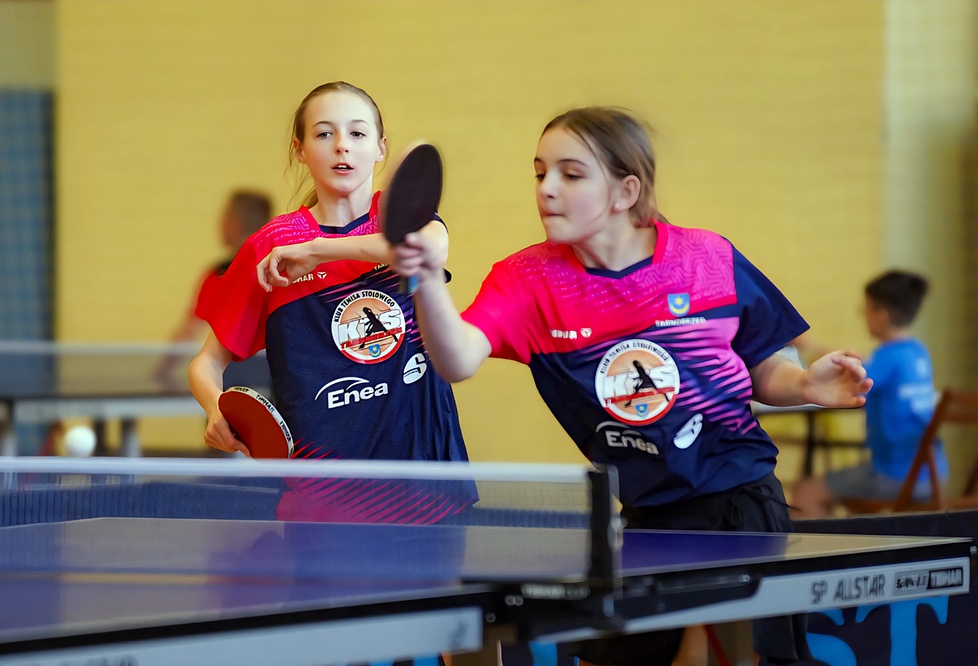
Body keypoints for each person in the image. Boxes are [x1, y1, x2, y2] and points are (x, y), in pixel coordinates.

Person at [390, 106, 872, 666]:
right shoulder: (528, 281)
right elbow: (457, 359)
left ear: (626, 190)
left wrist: (806, 383)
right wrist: (426, 280)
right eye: (540, 173)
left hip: (739, 506)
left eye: (571, 174)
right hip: (647, 516)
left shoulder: (706, 258)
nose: (546, 189)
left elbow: (763, 367)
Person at [188, 81, 472, 524]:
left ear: (380, 148)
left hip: (425, 488)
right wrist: (214, 408)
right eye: (324, 133)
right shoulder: (272, 246)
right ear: (300, 150)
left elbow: (430, 248)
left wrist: (318, 250)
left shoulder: (405, 218)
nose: (342, 145)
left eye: (357, 133)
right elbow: (206, 363)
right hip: (322, 492)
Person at [791, 270, 944, 518]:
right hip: (933, 473)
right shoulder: (917, 352)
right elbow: (862, 366)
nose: (864, 316)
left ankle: (829, 546)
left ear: (881, 315)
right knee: (854, 504)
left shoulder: (887, 356)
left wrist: (808, 350)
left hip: (896, 475)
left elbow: (848, 377)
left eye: (866, 309)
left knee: (805, 492)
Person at [155, 190, 273, 390]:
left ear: (235, 223)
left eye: (225, 217)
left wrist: (161, 371)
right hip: (275, 376)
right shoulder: (283, 270)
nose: (220, 224)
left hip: (231, 377)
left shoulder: (220, 275)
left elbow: (190, 330)